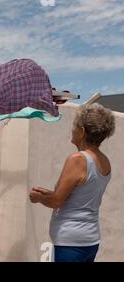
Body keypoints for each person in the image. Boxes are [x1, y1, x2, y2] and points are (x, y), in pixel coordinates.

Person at [29, 103, 115, 262]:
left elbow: (56, 201)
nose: (71, 129)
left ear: (82, 131)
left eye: (74, 125)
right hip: (90, 240)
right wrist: (47, 193)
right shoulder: (105, 161)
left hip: (70, 243)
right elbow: (79, 197)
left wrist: (38, 198)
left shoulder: (78, 159)